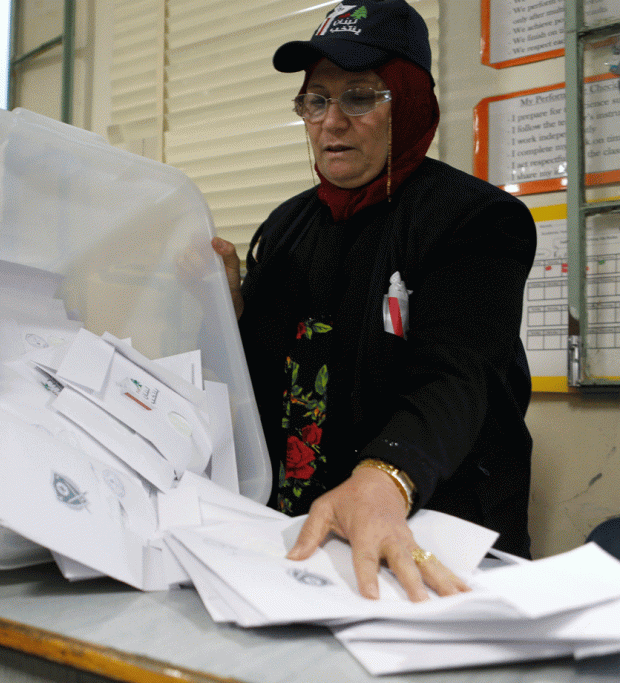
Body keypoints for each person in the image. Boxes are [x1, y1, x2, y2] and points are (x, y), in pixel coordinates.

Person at [212, 0, 536, 602]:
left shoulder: (476, 220)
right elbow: (273, 380)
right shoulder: (286, 229)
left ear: (409, 104)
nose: (330, 122)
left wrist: (385, 476)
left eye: (359, 96)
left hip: (434, 530)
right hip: (311, 541)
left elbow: (457, 377)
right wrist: (228, 316)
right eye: (315, 100)